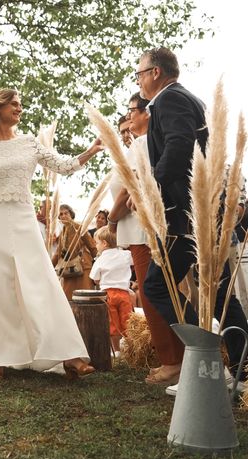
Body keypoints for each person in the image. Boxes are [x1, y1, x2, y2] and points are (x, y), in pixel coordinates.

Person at [0, 88, 102, 378]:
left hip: (23, 218)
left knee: (40, 282)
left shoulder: (30, 143)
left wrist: (90, 152)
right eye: (15, 105)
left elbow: (62, 165)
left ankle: (68, 355)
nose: (20, 109)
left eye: (21, 105)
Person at [137, 47, 248, 387]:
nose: (138, 80)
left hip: (185, 216)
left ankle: (205, 352)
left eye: (139, 73)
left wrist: (152, 184)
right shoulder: (187, 99)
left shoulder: (169, 100)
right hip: (201, 211)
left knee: (157, 285)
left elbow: (180, 144)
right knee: (217, 291)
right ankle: (243, 370)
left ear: (156, 72)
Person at [108, 91, 184, 385]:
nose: (128, 117)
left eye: (132, 111)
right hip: (139, 228)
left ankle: (171, 361)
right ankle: (174, 357)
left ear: (147, 113)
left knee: (151, 294)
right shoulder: (142, 143)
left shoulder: (144, 143)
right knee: (155, 291)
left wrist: (112, 219)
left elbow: (129, 188)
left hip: (141, 229)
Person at [89, 227, 134, 354]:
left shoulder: (100, 259)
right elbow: (134, 261)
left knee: (112, 323)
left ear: (104, 243)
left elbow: (94, 278)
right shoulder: (125, 254)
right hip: (124, 293)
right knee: (128, 321)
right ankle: (132, 348)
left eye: (97, 242)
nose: (96, 245)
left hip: (108, 294)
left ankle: (117, 351)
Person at [53, 204, 97, 300]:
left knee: (85, 300)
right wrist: (49, 266)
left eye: (66, 213)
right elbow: (58, 253)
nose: (64, 216)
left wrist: (99, 261)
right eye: (61, 214)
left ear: (71, 214)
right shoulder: (63, 232)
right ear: (59, 217)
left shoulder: (79, 227)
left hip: (83, 268)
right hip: (68, 270)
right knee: (69, 300)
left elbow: (92, 245)